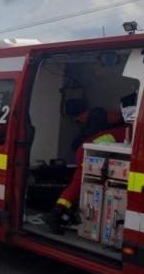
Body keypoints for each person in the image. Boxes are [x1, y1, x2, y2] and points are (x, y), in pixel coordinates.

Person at [46, 95, 133, 233]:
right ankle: (55, 215)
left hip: (91, 151)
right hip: (86, 153)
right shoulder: (128, 132)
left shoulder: (125, 129)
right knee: (77, 184)